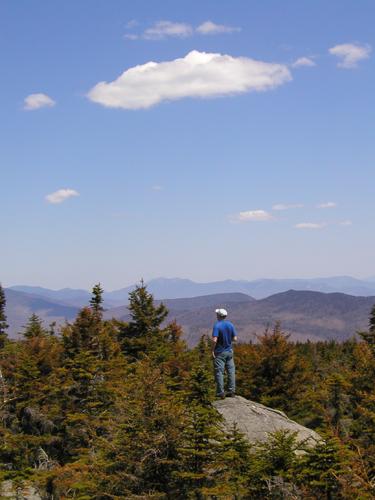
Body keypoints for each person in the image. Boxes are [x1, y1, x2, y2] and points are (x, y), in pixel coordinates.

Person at [211, 308, 237, 399]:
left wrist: (212, 350)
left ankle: (220, 392)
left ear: (218, 315)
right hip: (229, 351)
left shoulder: (217, 326)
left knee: (219, 372)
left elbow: (214, 340)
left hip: (219, 352)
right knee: (231, 371)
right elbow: (235, 339)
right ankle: (231, 391)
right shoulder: (230, 325)